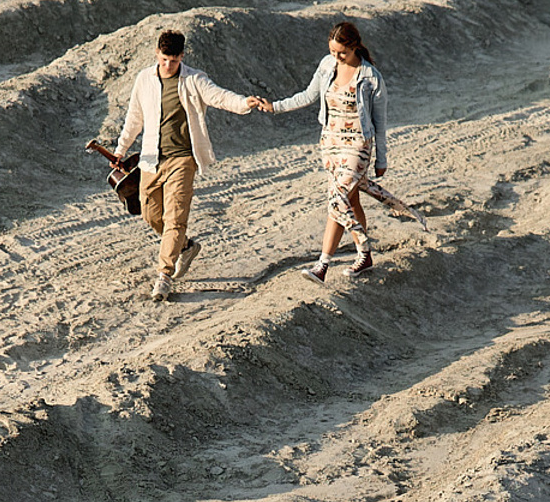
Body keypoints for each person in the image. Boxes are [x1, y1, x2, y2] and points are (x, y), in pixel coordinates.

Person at [250, 19, 424, 282]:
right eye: (333, 51)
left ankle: (323, 265)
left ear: (354, 47)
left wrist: (382, 158)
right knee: (350, 201)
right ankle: (364, 258)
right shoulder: (327, 65)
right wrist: (275, 107)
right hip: (330, 145)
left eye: (341, 52)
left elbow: (381, 120)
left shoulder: (370, 77)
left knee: (337, 199)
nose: (337, 56)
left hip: (358, 147)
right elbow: (308, 96)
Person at [115, 28, 257, 302]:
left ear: (182, 56)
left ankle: (164, 277)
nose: (168, 65)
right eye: (164, 59)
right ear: (157, 53)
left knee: (175, 219)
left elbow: (219, 96)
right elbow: (134, 117)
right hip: (150, 160)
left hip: (182, 158)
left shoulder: (193, 80)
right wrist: (121, 149)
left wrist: (244, 103)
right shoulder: (144, 79)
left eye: (174, 60)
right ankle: (186, 247)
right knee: (150, 214)